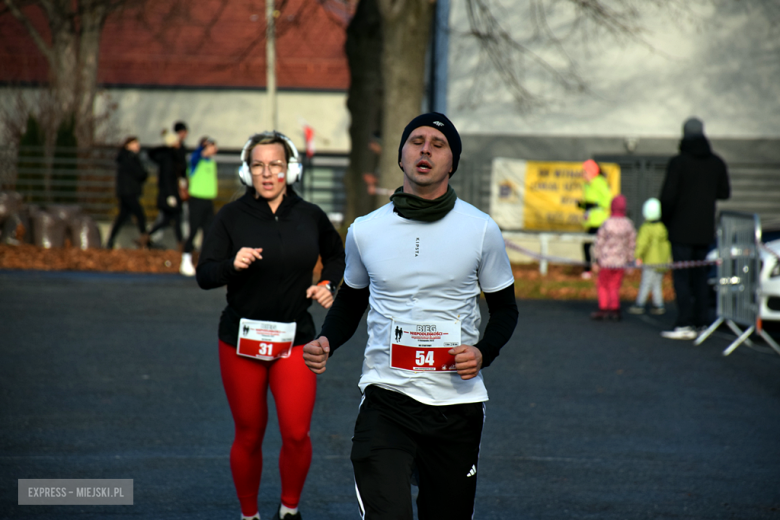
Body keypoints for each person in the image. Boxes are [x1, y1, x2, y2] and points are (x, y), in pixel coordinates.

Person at [302, 113, 519, 520]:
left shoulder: (481, 229)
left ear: (452, 162)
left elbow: (505, 309)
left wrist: (483, 352)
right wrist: (327, 340)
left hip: (456, 403)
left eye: (438, 144)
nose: (425, 149)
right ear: (401, 156)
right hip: (388, 397)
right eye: (416, 141)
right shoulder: (365, 230)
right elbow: (351, 300)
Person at [195, 131, 346, 520]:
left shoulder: (311, 215)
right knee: (249, 434)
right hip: (240, 342)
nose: (267, 173)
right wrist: (233, 264)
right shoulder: (230, 217)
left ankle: (289, 510)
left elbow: (336, 255)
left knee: (296, 433)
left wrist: (328, 284)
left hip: (295, 340)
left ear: (290, 169)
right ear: (247, 171)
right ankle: (249, 515)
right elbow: (205, 274)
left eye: (275, 165)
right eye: (258, 165)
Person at [659, 117, 730, 340]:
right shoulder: (716, 162)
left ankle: (684, 323)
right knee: (700, 277)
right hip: (704, 229)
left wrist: (666, 219)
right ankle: (701, 321)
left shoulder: (679, 163)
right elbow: (724, 192)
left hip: (681, 229)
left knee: (681, 277)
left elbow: (668, 197)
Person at [590, 194, 635, 321]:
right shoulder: (628, 225)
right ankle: (615, 308)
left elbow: (599, 242)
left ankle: (603, 308)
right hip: (620, 262)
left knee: (603, 285)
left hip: (605, 261)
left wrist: (596, 259)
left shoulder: (607, 223)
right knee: (615, 286)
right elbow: (631, 244)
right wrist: (630, 260)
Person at [180, 136, 218, 276]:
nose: (216, 149)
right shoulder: (196, 161)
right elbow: (194, 158)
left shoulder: (212, 163)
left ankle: (205, 262)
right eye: (213, 146)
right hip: (196, 200)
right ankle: (185, 260)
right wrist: (202, 148)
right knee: (193, 230)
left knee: (209, 232)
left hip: (208, 201)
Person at [628, 198, 671, 315]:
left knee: (645, 283)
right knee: (657, 284)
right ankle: (659, 305)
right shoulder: (663, 227)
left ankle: (639, 304)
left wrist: (636, 256)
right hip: (661, 262)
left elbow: (641, 244)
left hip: (650, 262)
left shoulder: (646, 228)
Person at [106, 136, 149, 249]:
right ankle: (145, 242)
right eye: (135, 143)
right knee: (140, 215)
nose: (137, 146)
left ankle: (110, 241)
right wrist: (144, 174)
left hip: (126, 192)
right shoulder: (129, 157)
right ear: (128, 145)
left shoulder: (126, 157)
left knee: (122, 217)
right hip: (129, 192)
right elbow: (140, 173)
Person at [147, 131, 183, 249]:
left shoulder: (172, 156)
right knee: (171, 219)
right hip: (169, 194)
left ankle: (180, 243)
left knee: (172, 219)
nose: (179, 142)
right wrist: (170, 196)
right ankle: (147, 236)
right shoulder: (168, 158)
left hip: (170, 193)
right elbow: (167, 178)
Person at [577, 159, 612, 279]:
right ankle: (590, 269)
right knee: (587, 245)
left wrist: (594, 204)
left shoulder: (600, 182)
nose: (583, 174)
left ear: (591, 172)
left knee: (597, 245)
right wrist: (584, 205)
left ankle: (596, 268)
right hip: (591, 221)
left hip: (600, 221)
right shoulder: (587, 185)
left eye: (585, 172)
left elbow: (607, 200)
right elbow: (589, 202)